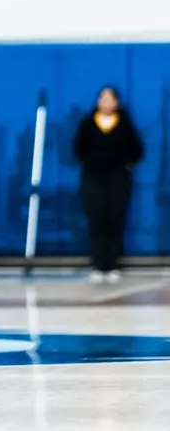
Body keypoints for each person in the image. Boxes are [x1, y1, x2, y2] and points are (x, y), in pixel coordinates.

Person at [73, 86, 144, 283]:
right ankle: (98, 264)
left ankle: (112, 265)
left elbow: (137, 149)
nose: (105, 102)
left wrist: (126, 164)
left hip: (118, 179)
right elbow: (78, 148)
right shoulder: (88, 123)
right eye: (102, 98)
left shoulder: (124, 123)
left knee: (115, 219)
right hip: (93, 178)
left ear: (116, 102)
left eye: (109, 98)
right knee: (96, 220)